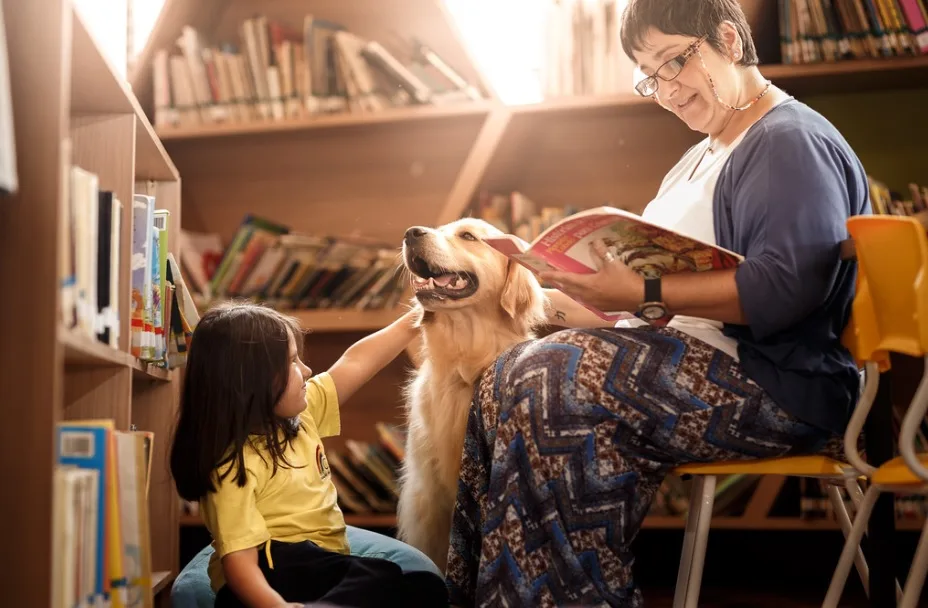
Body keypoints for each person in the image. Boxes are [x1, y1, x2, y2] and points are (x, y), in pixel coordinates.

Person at [444, 0, 871, 606]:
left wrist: (641, 292)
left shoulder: (786, 140)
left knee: (549, 378)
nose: (666, 90)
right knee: (501, 378)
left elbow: (787, 289)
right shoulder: (694, 160)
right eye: (651, 77)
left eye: (673, 63)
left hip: (776, 385)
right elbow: (631, 314)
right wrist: (548, 285)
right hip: (682, 362)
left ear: (727, 38)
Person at [168, 301, 447, 608]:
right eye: (292, 362)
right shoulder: (233, 467)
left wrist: (415, 318)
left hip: (319, 565)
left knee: (425, 585)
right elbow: (239, 562)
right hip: (269, 571)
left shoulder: (302, 415)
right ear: (251, 382)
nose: (307, 370)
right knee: (376, 576)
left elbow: (355, 362)